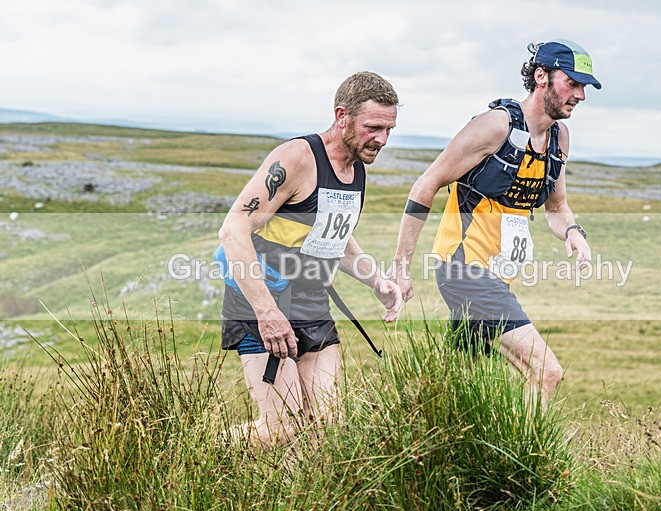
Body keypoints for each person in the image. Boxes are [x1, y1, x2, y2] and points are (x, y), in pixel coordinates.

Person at [390, 40, 600, 411]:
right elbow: (426, 184)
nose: (580, 95)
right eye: (573, 83)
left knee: (458, 384)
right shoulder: (494, 126)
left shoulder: (558, 138)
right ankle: (524, 458)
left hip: (497, 274)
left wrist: (573, 233)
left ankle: (431, 440)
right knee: (546, 371)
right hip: (463, 270)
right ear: (542, 77)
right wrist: (401, 267)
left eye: (585, 87)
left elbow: (557, 206)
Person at [218, 71, 403, 447]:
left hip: (311, 300)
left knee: (326, 429)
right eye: (373, 127)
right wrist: (267, 313)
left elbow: (333, 237)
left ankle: (297, 504)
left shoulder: (356, 168)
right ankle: (189, 451)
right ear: (342, 116)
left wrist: (376, 281)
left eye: (389, 129)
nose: (382, 139)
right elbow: (233, 230)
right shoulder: (297, 158)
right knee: (281, 431)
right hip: (262, 300)